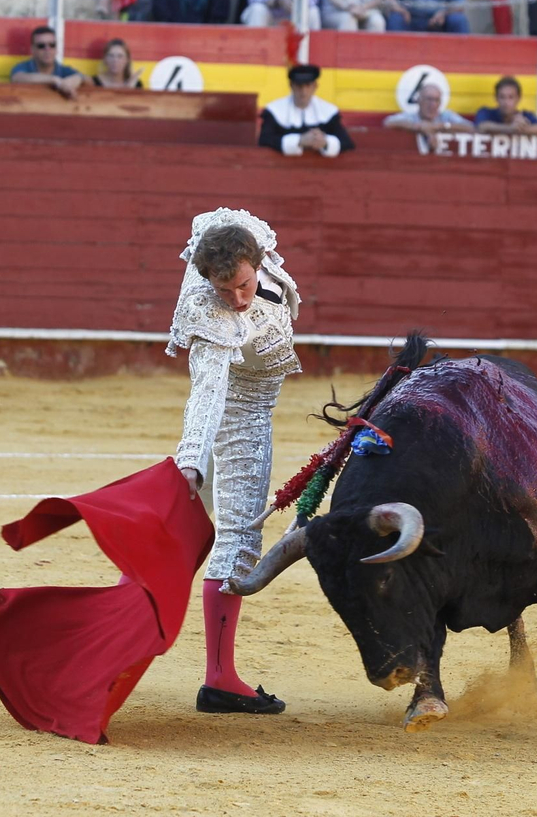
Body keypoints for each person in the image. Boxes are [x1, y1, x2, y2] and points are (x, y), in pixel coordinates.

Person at [166, 207, 302, 715]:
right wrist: (191, 460)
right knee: (240, 535)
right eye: (226, 291)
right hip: (239, 410)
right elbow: (209, 391)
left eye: (243, 286)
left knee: (183, 528)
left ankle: (123, 624)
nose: (238, 300)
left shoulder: (240, 234)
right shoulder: (210, 311)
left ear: (257, 260)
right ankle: (220, 679)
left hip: (253, 403)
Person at [258, 64, 354, 157]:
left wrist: (326, 141)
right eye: (299, 86)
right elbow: (264, 140)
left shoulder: (328, 111)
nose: (303, 91)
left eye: (308, 85)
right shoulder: (274, 110)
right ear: (291, 86)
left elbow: (347, 143)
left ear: (315, 86)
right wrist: (299, 141)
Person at [383, 81, 471, 154]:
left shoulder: (446, 116)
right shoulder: (412, 117)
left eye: (436, 100)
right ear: (419, 101)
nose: (432, 104)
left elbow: (471, 127)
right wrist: (419, 127)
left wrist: (440, 126)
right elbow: (388, 122)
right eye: (429, 99)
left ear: (440, 103)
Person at [11, 25, 84, 99]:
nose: (47, 49)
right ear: (32, 49)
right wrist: (55, 81)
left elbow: (82, 78)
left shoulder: (64, 70)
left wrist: (72, 82)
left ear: (56, 48)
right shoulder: (23, 67)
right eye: (41, 46)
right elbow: (18, 78)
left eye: (52, 45)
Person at [473, 75, 537, 135]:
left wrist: (522, 128)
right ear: (496, 98)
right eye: (502, 97)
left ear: (518, 98)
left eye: (511, 97)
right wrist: (510, 128)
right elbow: (481, 127)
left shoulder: (525, 115)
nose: (506, 102)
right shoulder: (486, 112)